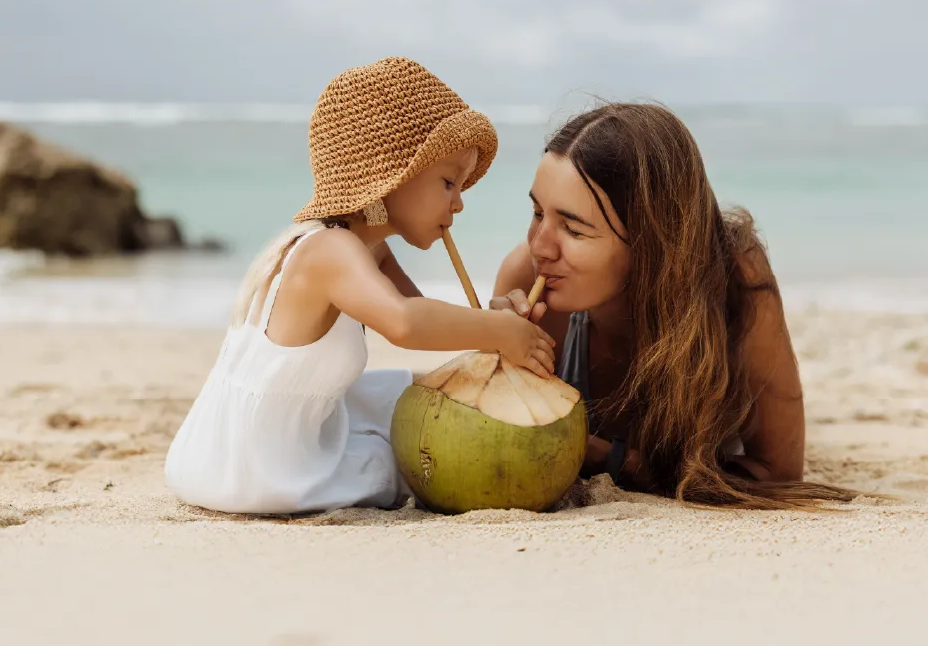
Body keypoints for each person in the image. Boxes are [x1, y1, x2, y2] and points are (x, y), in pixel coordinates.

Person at [165, 57, 556, 515]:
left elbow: (428, 315)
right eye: (449, 182)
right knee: (408, 458)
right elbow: (406, 324)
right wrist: (500, 333)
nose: (459, 203)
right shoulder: (329, 251)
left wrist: (490, 324)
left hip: (289, 427)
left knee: (420, 392)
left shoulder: (366, 250)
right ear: (389, 172)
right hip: (256, 465)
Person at [491, 102, 857, 509]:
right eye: (537, 212)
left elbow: (780, 474)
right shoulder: (526, 279)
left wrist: (602, 455)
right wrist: (499, 370)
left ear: (651, 240)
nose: (539, 245)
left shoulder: (735, 280)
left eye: (573, 228)